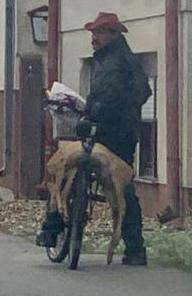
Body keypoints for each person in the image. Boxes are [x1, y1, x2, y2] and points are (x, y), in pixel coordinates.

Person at [37, 12, 152, 266]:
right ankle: (136, 248)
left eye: (98, 33)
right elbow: (143, 91)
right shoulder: (124, 60)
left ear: (113, 34)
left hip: (106, 132)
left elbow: (109, 98)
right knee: (124, 189)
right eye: (93, 34)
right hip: (124, 135)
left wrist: (93, 113)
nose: (94, 39)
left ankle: (51, 228)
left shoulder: (114, 63)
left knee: (67, 166)